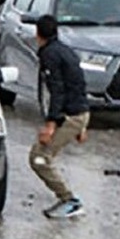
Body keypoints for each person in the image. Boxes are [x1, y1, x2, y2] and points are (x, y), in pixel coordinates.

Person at [31, 15, 90, 219]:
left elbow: (58, 90)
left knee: (39, 158)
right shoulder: (67, 51)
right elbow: (79, 84)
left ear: (37, 34)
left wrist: (50, 125)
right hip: (79, 114)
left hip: (69, 116)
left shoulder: (49, 55)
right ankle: (67, 200)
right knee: (43, 157)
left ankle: (70, 201)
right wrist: (82, 125)